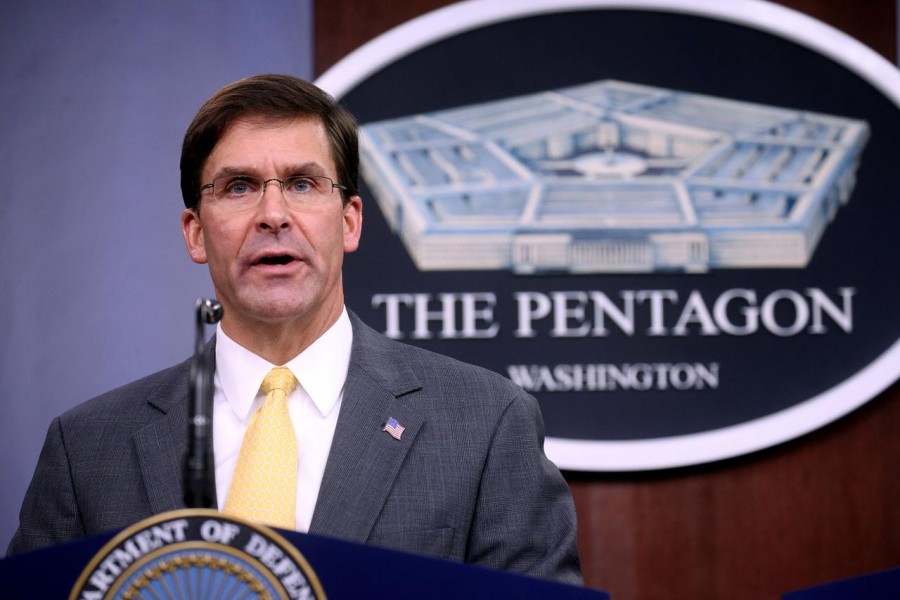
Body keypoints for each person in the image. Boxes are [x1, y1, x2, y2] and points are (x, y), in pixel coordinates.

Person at [7, 74, 582, 584]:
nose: (273, 214)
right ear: (195, 233)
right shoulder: (87, 448)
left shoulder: (484, 425)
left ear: (350, 220)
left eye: (303, 183)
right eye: (239, 187)